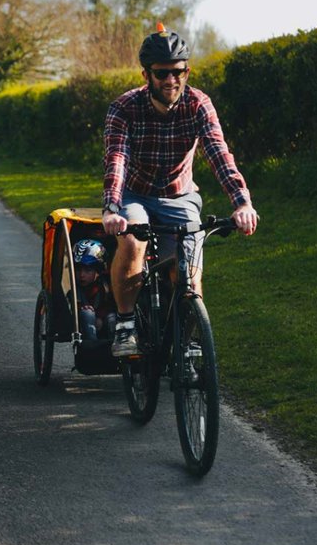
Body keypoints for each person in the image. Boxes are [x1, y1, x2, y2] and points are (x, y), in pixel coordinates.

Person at [101, 24, 259, 357]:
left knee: (186, 272)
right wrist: (113, 208)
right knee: (131, 243)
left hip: (180, 195)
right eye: (162, 74)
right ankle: (126, 325)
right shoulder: (124, 107)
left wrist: (241, 202)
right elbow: (117, 159)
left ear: (187, 71)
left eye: (178, 72)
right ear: (146, 74)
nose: (171, 80)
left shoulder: (198, 104)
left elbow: (219, 154)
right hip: (135, 193)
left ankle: (187, 343)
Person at [72, 239, 117, 342]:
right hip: (80, 323)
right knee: (87, 313)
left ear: (98, 271)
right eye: (78, 270)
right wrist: (81, 308)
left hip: (103, 320)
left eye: (88, 270)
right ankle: (92, 346)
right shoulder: (73, 288)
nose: (82, 275)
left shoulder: (105, 286)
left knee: (112, 317)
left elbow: (111, 305)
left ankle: (113, 344)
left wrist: (100, 317)